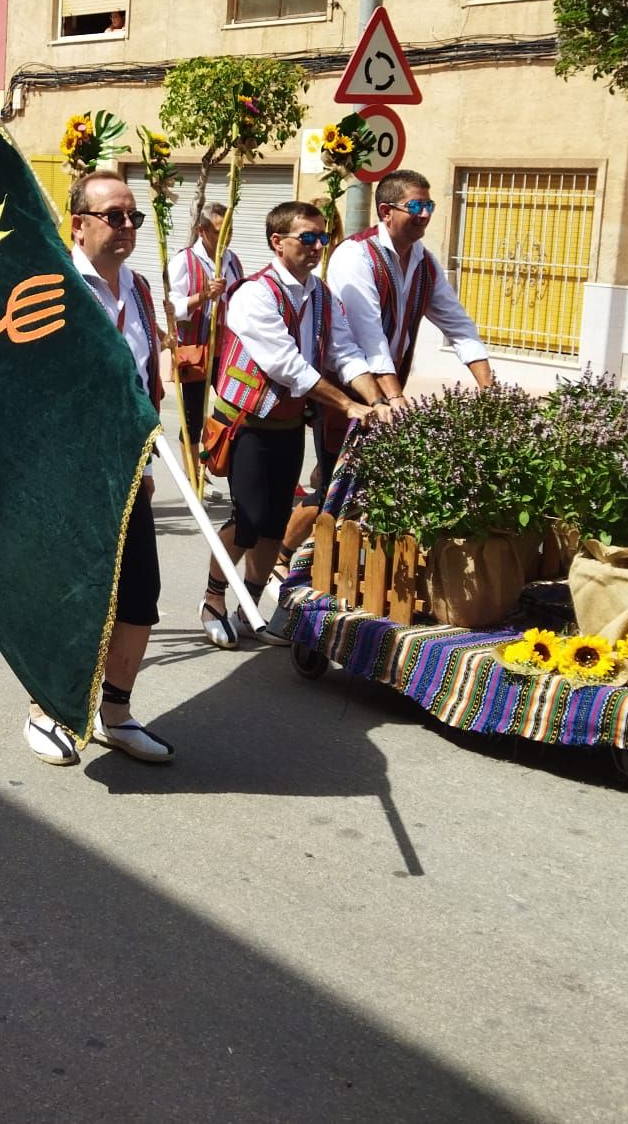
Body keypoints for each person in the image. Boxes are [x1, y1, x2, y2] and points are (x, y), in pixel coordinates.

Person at [26, 171, 174, 767]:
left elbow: (142, 378)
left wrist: (146, 451)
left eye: (134, 216)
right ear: (78, 223)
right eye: (114, 216)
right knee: (68, 595)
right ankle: (47, 707)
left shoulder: (137, 289)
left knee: (140, 596)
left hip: (126, 470)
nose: (128, 227)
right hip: (68, 470)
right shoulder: (53, 285)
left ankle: (116, 712)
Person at [199, 201, 388, 649]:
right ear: (276, 242)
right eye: (307, 238)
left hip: (286, 426)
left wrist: (376, 400)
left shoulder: (321, 294)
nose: (317, 247)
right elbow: (288, 366)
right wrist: (347, 404)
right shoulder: (253, 294)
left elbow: (344, 352)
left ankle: (248, 606)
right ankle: (212, 600)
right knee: (246, 520)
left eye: (322, 238)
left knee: (274, 522)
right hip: (248, 424)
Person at [324, 169, 494, 416]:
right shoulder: (356, 255)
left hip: (391, 385)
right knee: (337, 455)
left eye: (429, 206)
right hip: (349, 388)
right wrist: (394, 396)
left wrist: (489, 389)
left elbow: (458, 325)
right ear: (386, 212)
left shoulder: (425, 262)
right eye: (415, 206)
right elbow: (368, 335)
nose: (424, 215)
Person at [167, 202, 244, 493]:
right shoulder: (183, 262)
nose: (226, 236)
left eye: (230, 230)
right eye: (219, 230)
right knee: (193, 415)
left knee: (230, 410)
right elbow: (172, 306)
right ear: (202, 230)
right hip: (196, 349)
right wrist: (202, 296)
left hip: (226, 350)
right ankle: (194, 476)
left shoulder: (232, 260)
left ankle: (217, 462)